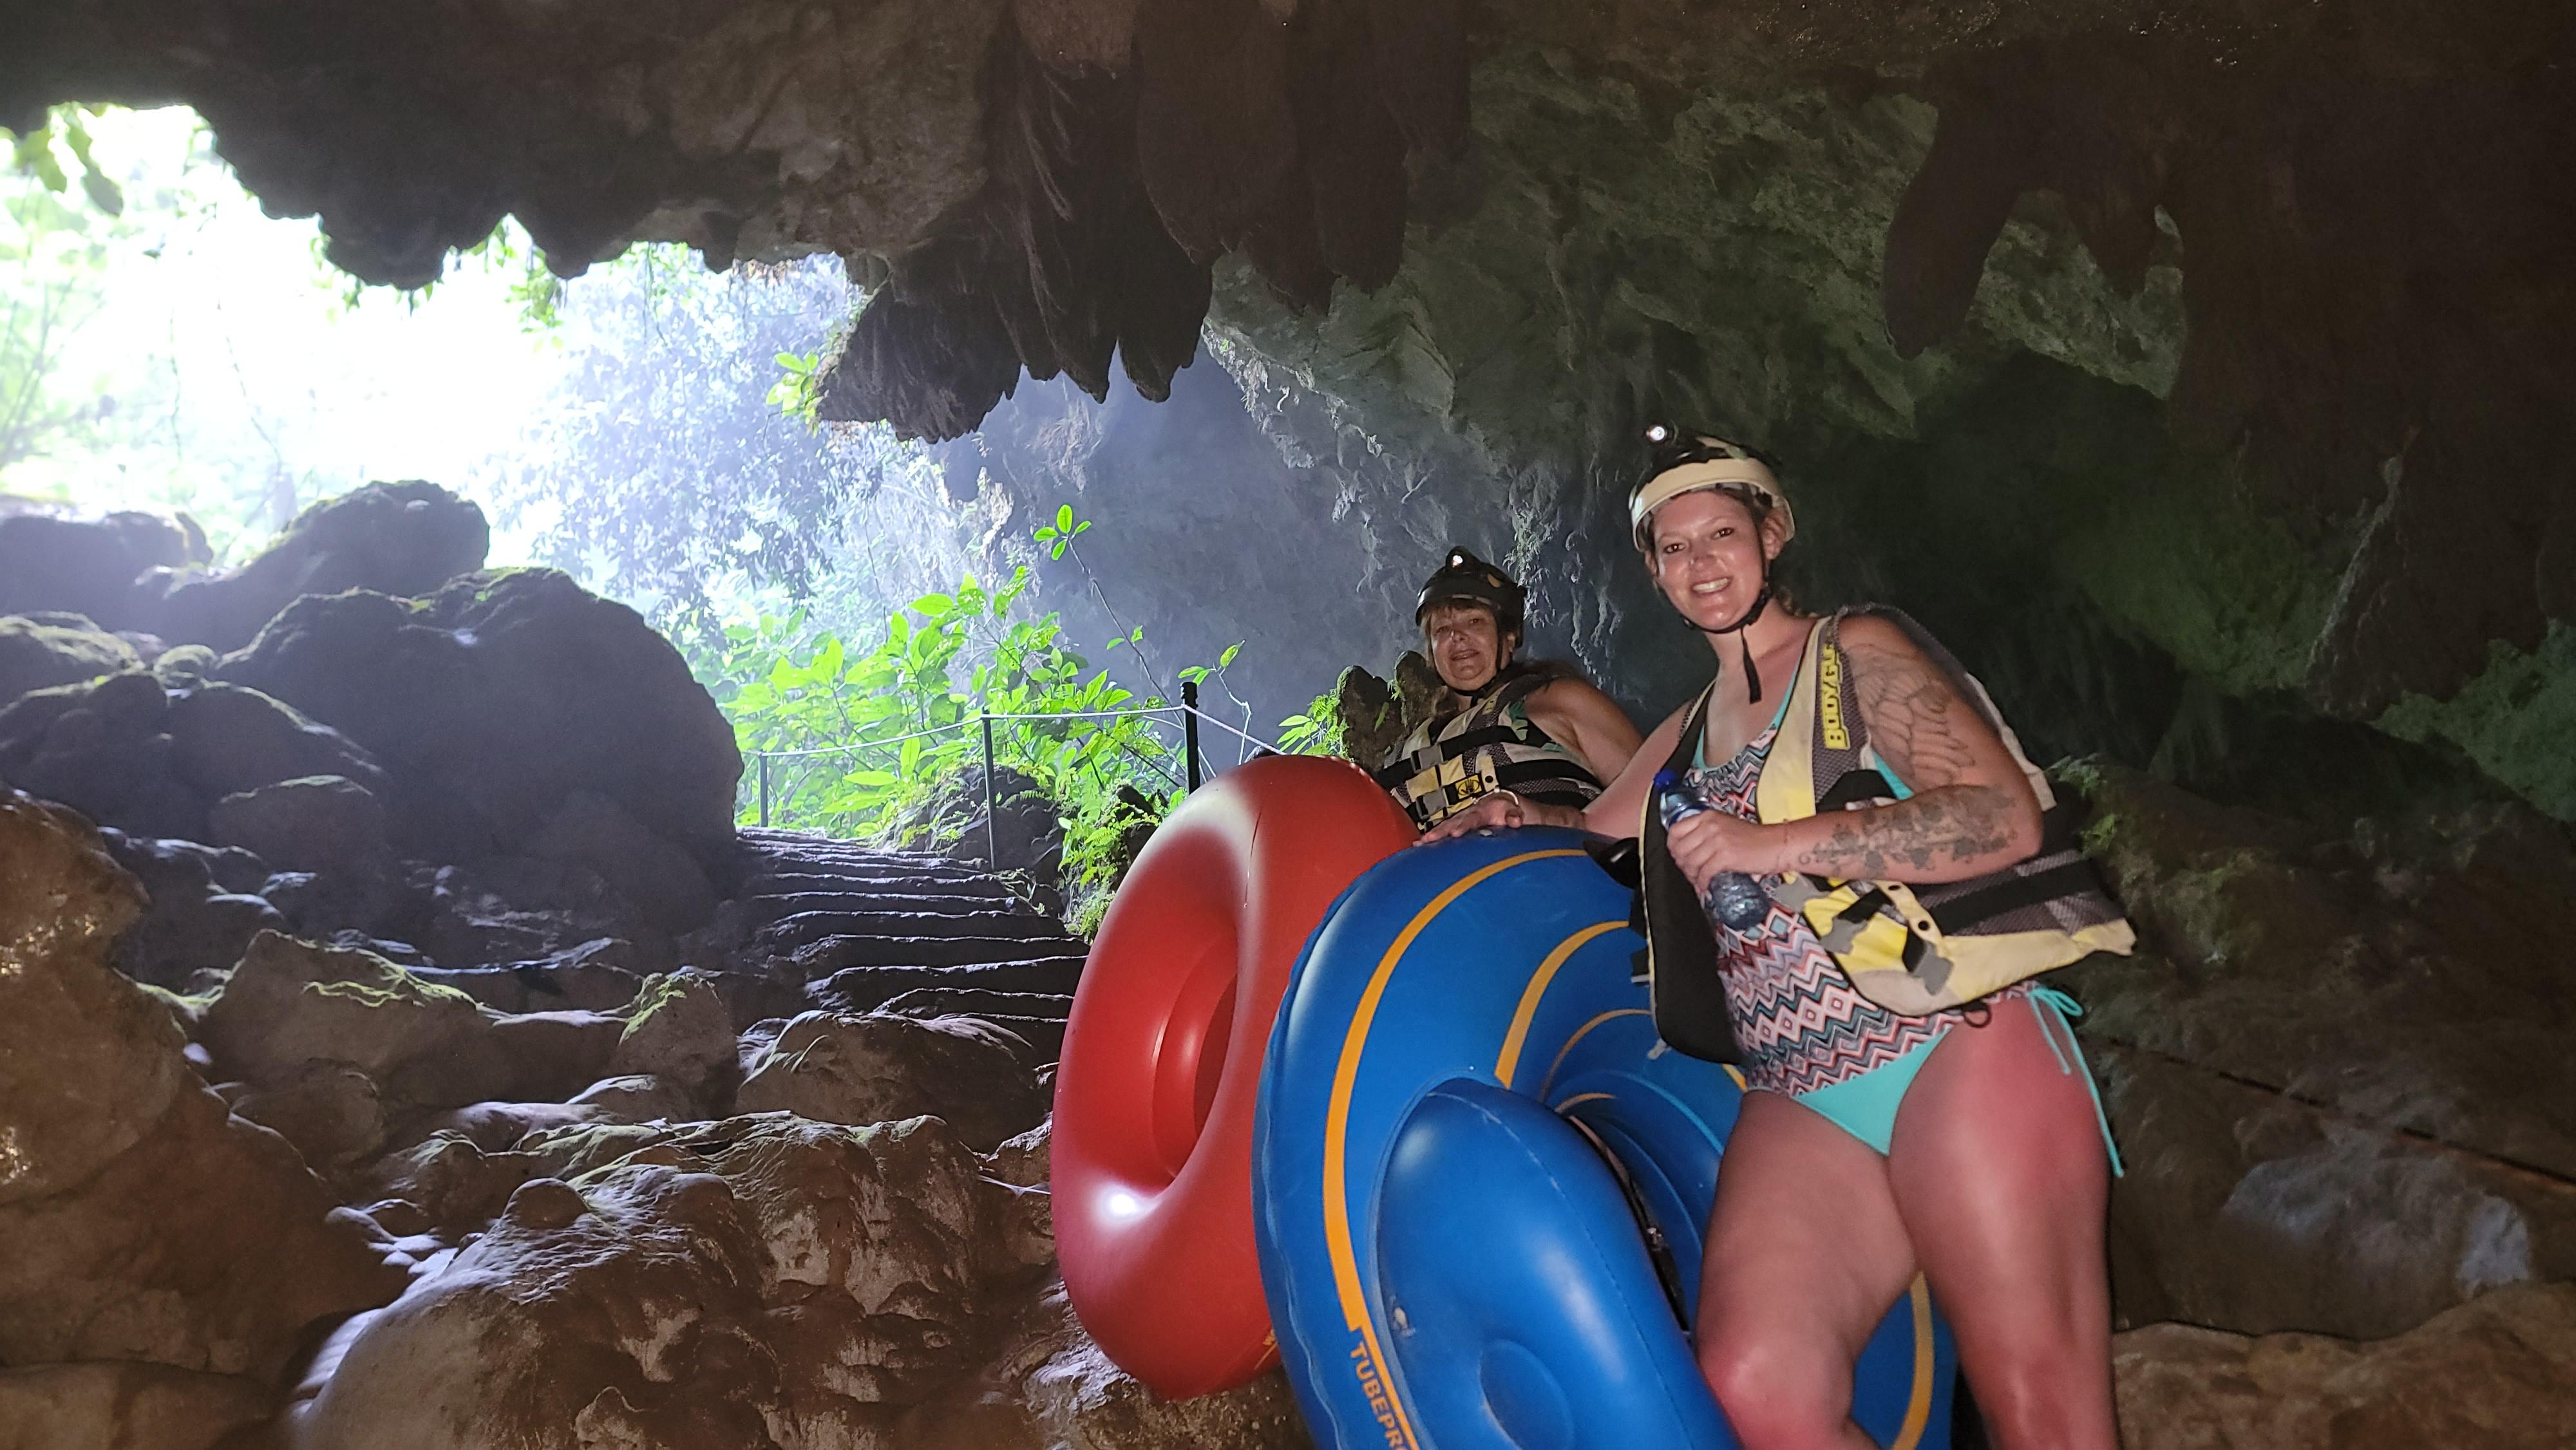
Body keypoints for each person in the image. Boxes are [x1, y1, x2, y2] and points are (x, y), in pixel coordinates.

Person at [1424, 431, 2132, 1450]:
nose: (1702, 563)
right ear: (1655, 572)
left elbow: (1999, 818)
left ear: (1773, 533)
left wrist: (1775, 843)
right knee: (1756, 1391)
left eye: (1722, 533)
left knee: (2040, 1408)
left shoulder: (1857, 652)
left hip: (1954, 1045)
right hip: (1804, 1087)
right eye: (1673, 548)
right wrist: (1503, 813)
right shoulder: (1688, 726)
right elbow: (1590, 825)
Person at [1373, 547, 1643, 833]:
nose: (1457, 636)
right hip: (1436, 878)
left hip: (1558, 870)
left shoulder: (1561, 701)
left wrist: (1555, 818)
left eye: (1474, 621)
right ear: (1431, 652)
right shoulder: (1400, 757)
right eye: (1442, 630)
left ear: (1509, 637)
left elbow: (1657, 799)